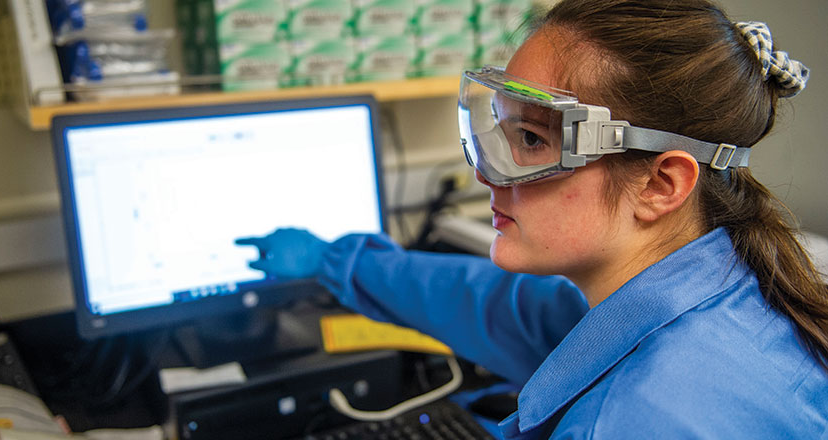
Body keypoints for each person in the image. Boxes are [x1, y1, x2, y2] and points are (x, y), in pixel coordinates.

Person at [235, 0, 828, 437]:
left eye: (532, 139)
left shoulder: (641, 420)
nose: (487, 174)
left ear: (660, 184)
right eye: (502, 130)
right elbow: (500, 308)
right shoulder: (714, 280)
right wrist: (334, 262)